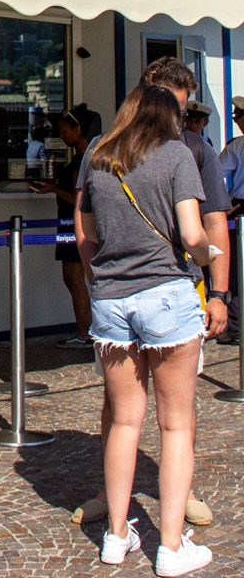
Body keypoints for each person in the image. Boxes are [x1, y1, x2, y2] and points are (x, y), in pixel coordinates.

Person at [72, 58, 229, 530]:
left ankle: (178, 495)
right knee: (134, 408)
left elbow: (215, 216)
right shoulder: (104, 150)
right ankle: (123, 501)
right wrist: (94, 271)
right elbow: (85, 219)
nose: (179, 119)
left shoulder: (194, 148)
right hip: (154, 289)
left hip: (165, 289)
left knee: (173, 405)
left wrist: (219, 292)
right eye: (174, 107)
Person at [33, 104, 96, 348]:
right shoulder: (81, 158)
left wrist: (53, 189)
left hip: (75, 224)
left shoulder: (83, 160)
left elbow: (77, 199)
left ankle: (85, 332)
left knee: (75, 279)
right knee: (71, 279)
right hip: (68, 224)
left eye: (64, 130)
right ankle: (85, 330)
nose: (61, 136)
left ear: (78, 129)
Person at [216, 95, 244, 343]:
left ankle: (236, 326)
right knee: (236, 270)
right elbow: (218, 172)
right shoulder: (237, 146)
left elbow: (217, 173)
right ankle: (236, 326)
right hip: (240, 210)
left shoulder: (237, 146)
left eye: (239, 117)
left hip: (240, 209)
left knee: (238, 270)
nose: (236, 121)